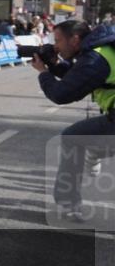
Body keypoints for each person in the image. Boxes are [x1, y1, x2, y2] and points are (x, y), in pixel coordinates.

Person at [33, 19, 115, 222]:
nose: (56, 47)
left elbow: (62, 93)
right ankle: (96, 150)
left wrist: (43, 73)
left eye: (58, 40)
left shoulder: (95, 58)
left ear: (75, 39)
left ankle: (68, 204)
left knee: (72, 138)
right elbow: (77, 76)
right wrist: (54, 65)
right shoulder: (103, 49)